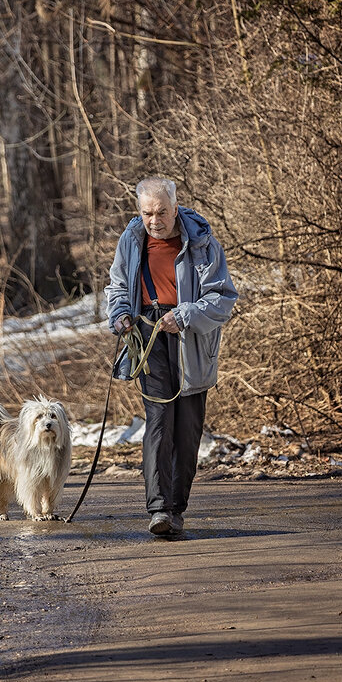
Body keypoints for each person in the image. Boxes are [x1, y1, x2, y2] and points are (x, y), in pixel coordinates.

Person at [105, 178, 238, 537]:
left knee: (188, 427)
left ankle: (177, 507)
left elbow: (223, 299)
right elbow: (118, 286)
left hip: (191, 337)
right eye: (147, 213)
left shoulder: (202, 242)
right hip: (148, 333)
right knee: (159, 419)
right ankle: (160, 509)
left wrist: (184, 315)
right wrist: (120, 314)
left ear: (176, 208)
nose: (154, 220)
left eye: (162, 212)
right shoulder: (131, 240)